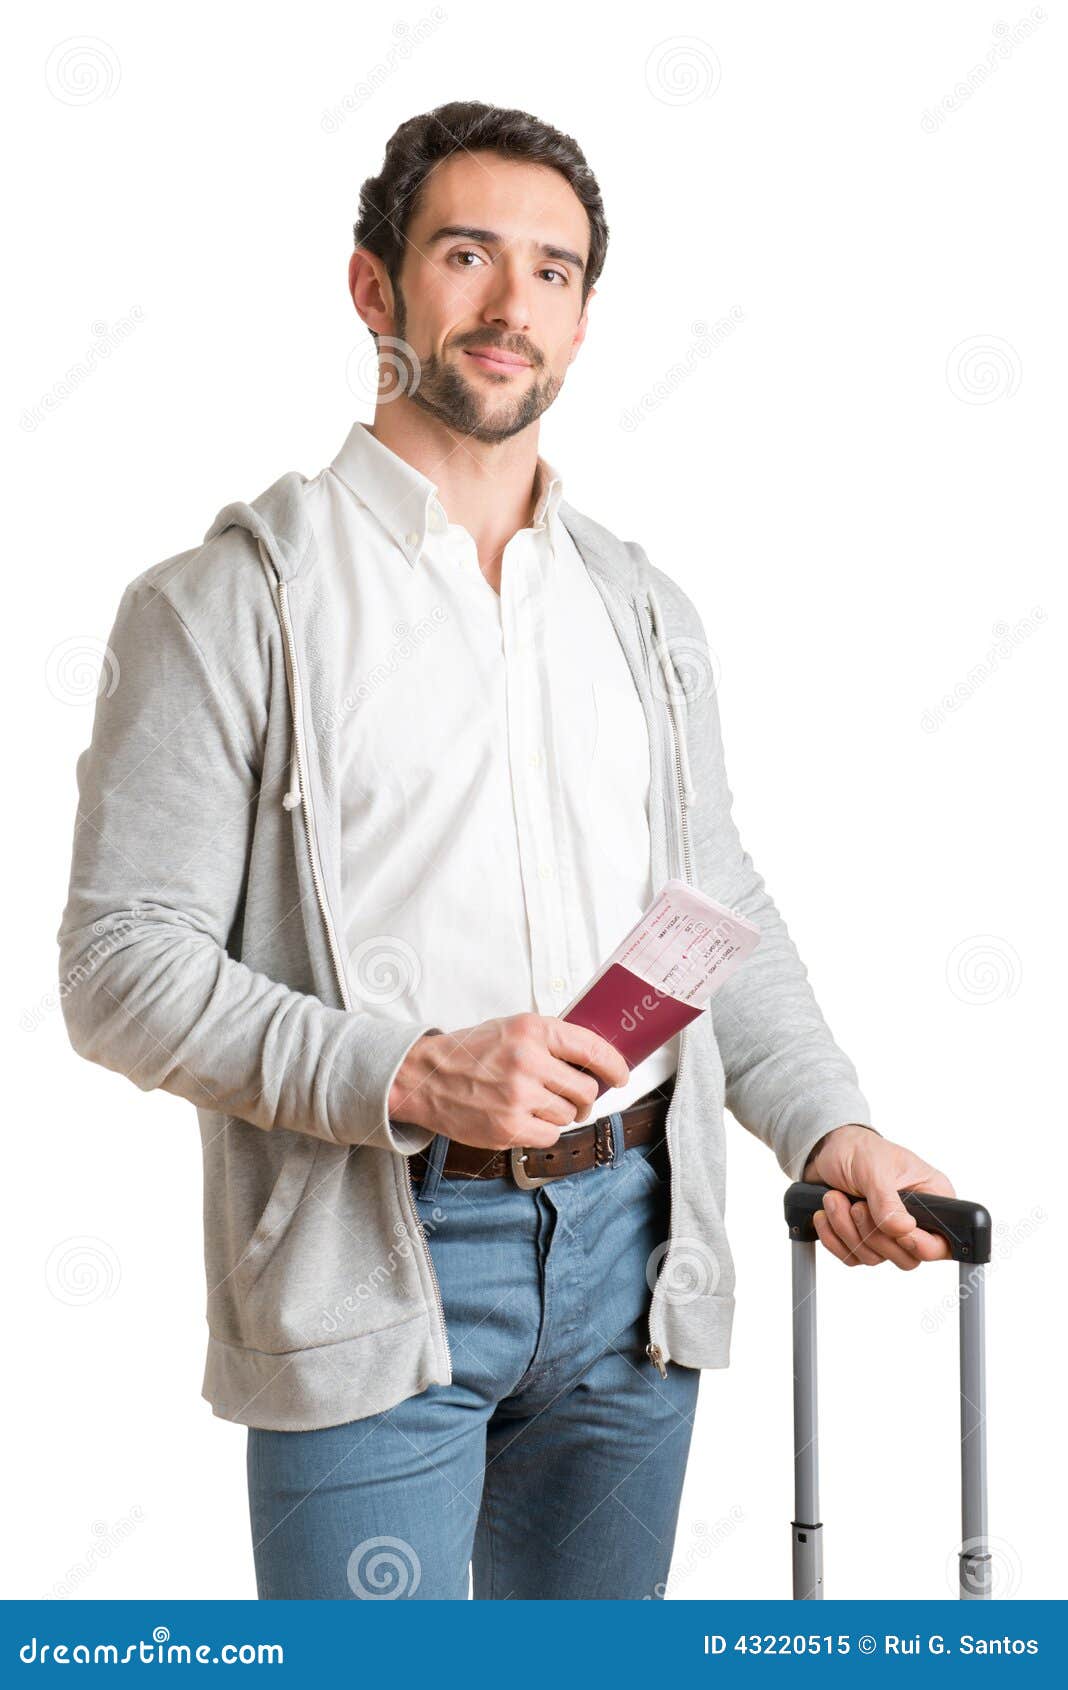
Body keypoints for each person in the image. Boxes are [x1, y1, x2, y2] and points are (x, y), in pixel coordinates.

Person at [57, 100, 955, 1602]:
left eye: (552, 272)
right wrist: (407, 1071)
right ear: (375, 289)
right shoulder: (228, 602)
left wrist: (828, 1125)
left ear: (585, 319)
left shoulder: (643, 610)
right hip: (374, 1245)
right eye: (466, 253)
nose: (507, 304)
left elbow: (708, 908)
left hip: (637, 1254)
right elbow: (118, 967)